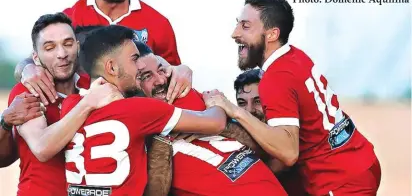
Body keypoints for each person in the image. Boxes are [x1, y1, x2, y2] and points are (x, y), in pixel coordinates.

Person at [206, 0, 381, 195]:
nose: (234, 33)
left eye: (245, 26)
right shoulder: (294, 56)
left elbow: (288, 153)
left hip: (340, 182)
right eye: (238, 24)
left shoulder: (276, 78)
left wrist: (234, 111)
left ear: (271, 34)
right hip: (360, 160)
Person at [62, 25, 227, 196]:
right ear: (112, 68)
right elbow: (216, 123)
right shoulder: (139, 109)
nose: (140, 65)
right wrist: (215, 101)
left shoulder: (70, 106)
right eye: (134, 59)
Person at [14, 0, 190, 107]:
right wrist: (26, 69)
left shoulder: (158, 23)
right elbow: (37, 59)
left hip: (141, 128)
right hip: (79, 123)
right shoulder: (70, 19)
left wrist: (183, 71)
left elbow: (171, 79)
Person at [133, 43, 287, 196]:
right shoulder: (134, 131)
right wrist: (163, 140)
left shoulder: (194, 97)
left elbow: (266, 154)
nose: (161, 80)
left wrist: (214, 119)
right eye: (146, 76)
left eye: (161, 70)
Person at [2, 12, 122, 196]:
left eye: (68, 44)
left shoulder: (94, 83)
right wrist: (88, 103)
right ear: (36, 57)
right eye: (50, 48)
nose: (62, 54)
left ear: (77, 46)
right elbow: (42, 149)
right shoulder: (26, 91)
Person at [233, 69, 306, 196]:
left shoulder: (289, 129)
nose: (249, 110)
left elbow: (276, 165)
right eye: (242, 103)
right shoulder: (239, 131)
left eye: (257, 101)